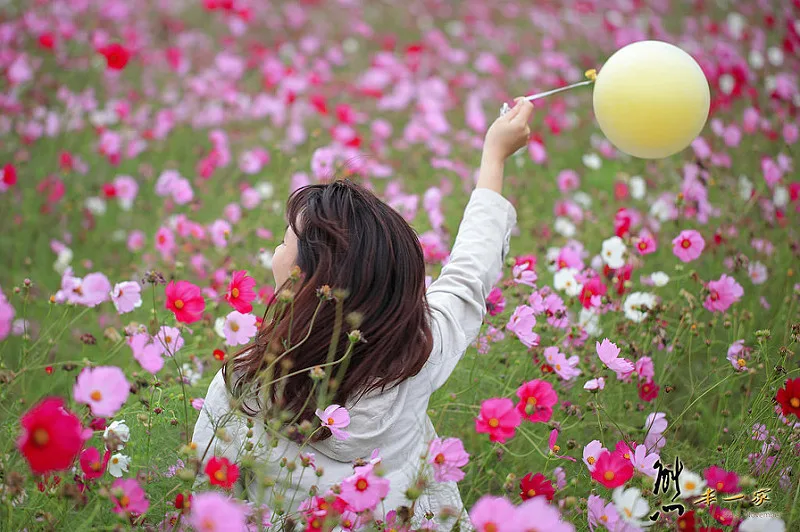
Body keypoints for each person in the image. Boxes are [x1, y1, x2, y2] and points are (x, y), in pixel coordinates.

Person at [191, 97, 534, 529]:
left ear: (308, 283)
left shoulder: (245, 391)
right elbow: (470, 276)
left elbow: (209, 511)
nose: (275, 251)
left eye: (285, 243)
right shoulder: (415, 355)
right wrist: (494, 156)